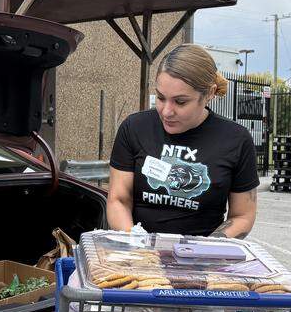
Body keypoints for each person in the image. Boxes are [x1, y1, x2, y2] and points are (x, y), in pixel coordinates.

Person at [107, 44, 259, 238]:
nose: (166, 111)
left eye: (180, 102)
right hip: (139, 254)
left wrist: (204, 250)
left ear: (209, 94)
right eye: (161, 98)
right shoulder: (134, 128)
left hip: (201, 259)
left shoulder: (236, 139)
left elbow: (243, 216)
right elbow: (118, 199)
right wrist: (136, 243)